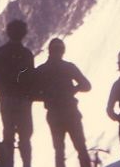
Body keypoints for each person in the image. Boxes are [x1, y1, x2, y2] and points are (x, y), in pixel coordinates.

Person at [34, 38, 92, 167]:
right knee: (81, 147)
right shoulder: (68, 67)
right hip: (71, 111)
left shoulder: (41, 70)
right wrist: (73, 90)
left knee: (59, 151)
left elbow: (32, 94)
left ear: (50, 51)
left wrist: (47, 97)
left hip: (54, 114)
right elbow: (87, 86)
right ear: (62, 51)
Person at [0, 20, 35, 167]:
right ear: (23, 34)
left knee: (8, 135)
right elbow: (31, 77)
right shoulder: (27, 54)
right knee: (25, 137)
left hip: (6, 99)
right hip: (23, 100)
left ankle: (8, 164)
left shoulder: (0, 53)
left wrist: (2, 93)